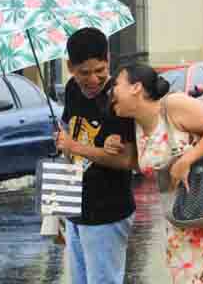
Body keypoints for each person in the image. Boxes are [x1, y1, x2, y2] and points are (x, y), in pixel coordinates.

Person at [109, 63, 203, 284]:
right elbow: (142, 163)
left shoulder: (173, 105)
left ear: (135, 87)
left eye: (116, 84)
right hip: (182, 222)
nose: (111, 92)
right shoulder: (135, 126)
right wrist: (111, 146)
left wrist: (187, 159)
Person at [54, 27, 138, 284]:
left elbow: (127, 160)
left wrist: (74, 146)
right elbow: (69, 133)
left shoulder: (119, 99)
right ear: (70, 67)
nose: (93, 80)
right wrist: (58, 209)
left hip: (107, 210)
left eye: (100, 71)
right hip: (75, 206)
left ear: (108, 60)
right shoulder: (71, 90)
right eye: (84, 73)